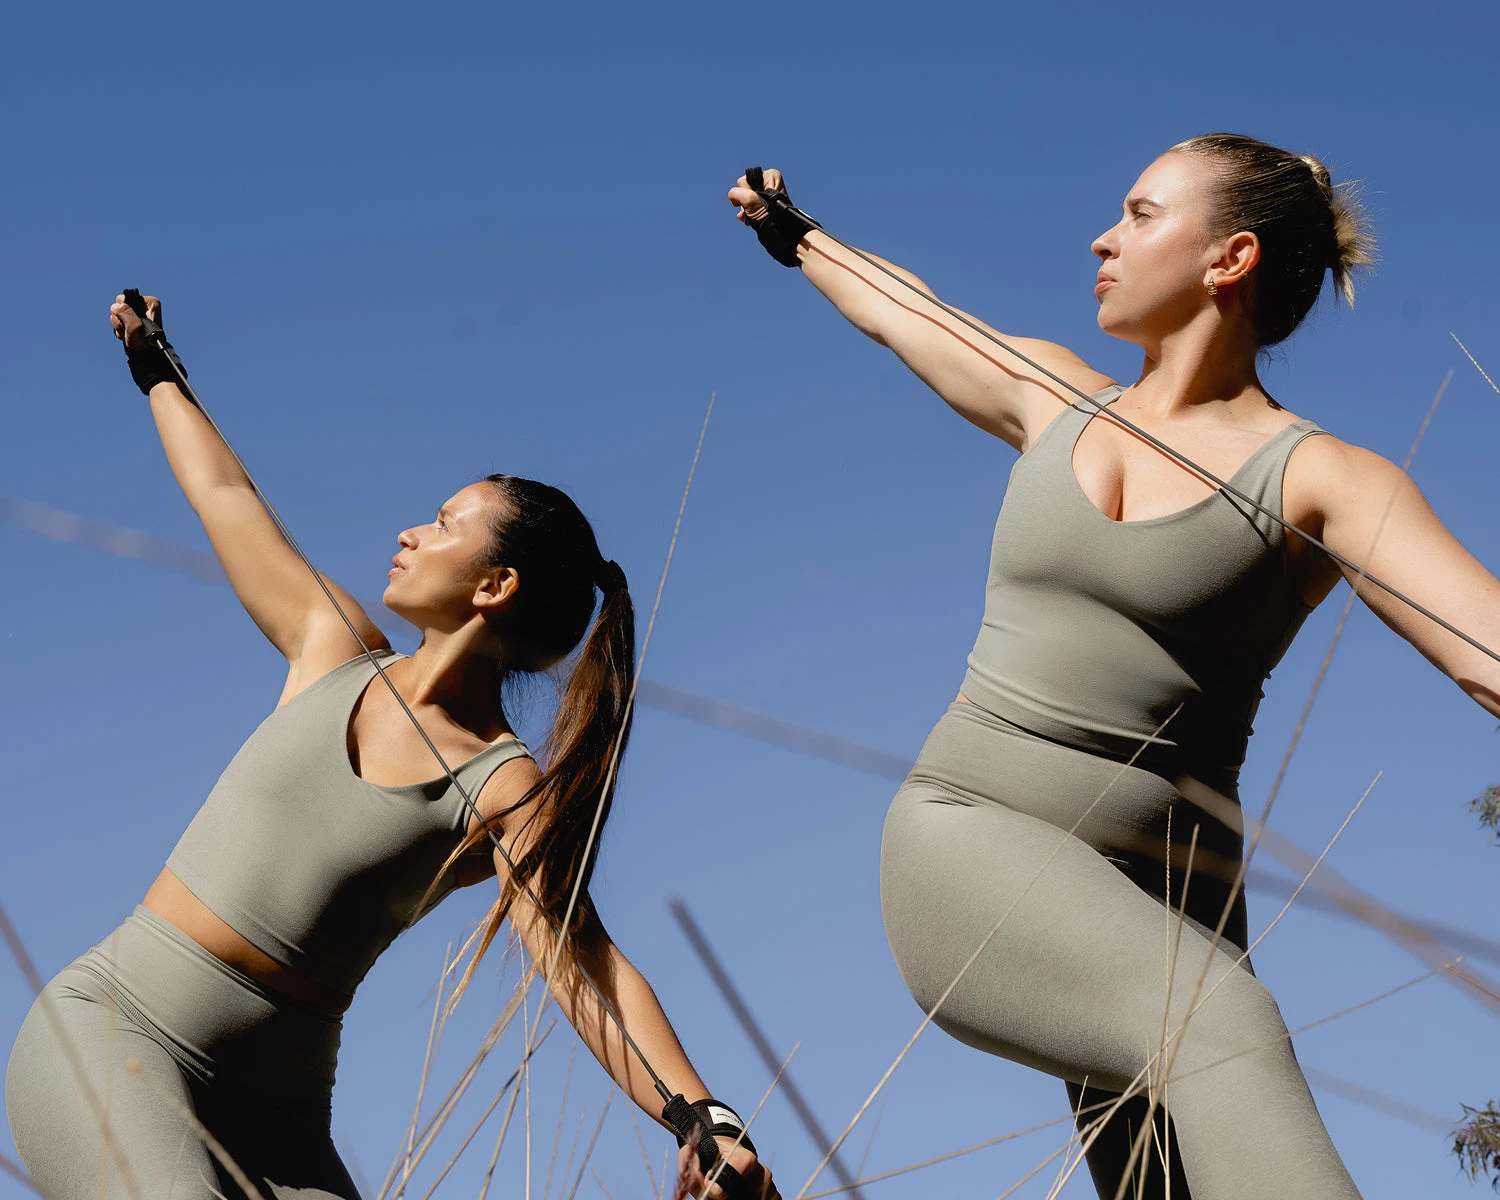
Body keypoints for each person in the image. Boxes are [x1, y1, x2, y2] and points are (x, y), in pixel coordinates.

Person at [728, 137, 1500, 1200]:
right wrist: (795, 234)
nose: (1102, 239)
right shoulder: (1055, 397)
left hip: (1176, 900)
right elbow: (905, 310)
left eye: (1140, 215)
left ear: (1230, 258)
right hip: (971, 832)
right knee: (1220, 1025)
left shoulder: (1322, 478)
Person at [4, 295, 776, 1200]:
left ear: (494, 585)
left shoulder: (502, 788)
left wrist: (701, 1117)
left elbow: (584, 964)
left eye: (445, 523)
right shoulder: (330, 646)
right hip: (119, 1032)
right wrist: (154, 367)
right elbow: (227, 495)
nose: (410, 532)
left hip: (284, 1128)